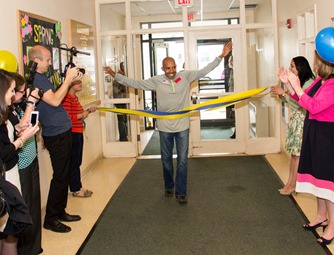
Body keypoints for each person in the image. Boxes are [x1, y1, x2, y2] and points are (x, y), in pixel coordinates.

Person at [104, 42, 233, 204]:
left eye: (173, 67)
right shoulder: (156, 81)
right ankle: (169, 186)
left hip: (182, 127)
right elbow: (136, 84)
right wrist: (116, 76)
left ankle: (181, 192)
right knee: (166, 160)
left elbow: (204, 71)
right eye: (167, 68)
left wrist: (220, 56)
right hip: (164, 127)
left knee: (182, 160)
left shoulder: (185, 76)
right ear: (162, 69)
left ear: (176, 67)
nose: (171, 71)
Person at [285, 51, 334, 245]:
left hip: (330, 137)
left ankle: (333, 226)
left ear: (326, 62)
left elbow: (314, 107)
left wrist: (297, 87)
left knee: (330, 184)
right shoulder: (322, 81)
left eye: (317, 59)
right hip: (316, 134)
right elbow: (304, 101)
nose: (314, 63)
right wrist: (290, 85)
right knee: (319, 180)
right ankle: (321, 217)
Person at [28, 45, 82, 233]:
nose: (50, 63)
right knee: (60, 176)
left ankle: (59, 211)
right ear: (36, 61)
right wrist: (67, 80)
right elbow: (56, 101)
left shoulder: (43, 78)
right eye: (47, 59)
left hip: (61, 131)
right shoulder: (36, 79)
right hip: (56, 134)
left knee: (64, 174)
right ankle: (50, 218)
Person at [0, 69, 39, 255]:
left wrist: (17, 128)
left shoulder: (6, 113)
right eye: (12, 90)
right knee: (9, 227)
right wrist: (22, 139)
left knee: (9, 232)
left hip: (11, 172)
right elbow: (4, 151)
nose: (15, 95)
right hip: (6, 176)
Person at [270, 56, 315, 196]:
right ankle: (289, 183)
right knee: (294, 156)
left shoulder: (309, 84)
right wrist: (286, 88)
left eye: (292, 67)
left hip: (303, 122)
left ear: (301, 67)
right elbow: (295, 99)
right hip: (297, 121)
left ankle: (293, 185)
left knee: (297, 156)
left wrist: (283, 93)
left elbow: (301, 104)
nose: (290, 70)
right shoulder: (300, 82)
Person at [9, 72, 43, 255]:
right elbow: (18, 134)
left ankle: (34, 246)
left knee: (34, 205)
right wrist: (30, 104)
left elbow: (25, 125)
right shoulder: (7, 110)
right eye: (19, 91)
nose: (22, 94)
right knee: (25, 209)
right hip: (20, 166)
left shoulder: (17, 106)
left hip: (31, 159)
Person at [62, 79, 96, 198]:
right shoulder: (66, 99)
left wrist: (88, 111)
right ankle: (76, 189)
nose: (81, 84)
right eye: (77, 83)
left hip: (78, 132)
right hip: (72, 134)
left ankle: (78, 186)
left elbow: (79, 114)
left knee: (77, 161)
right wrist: (82, 115)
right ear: (71, 85)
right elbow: (66, 118)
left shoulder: (75, 98)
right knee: (74, 162)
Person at [112, 62, 128, 141]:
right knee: (121, 120)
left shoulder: (123, 74)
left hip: (123, 100)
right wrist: (121, 90)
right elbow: (116, 90)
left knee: (124, 119)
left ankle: (125, 135)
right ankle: (123, 137)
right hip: (119, 101)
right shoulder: (118, 75)